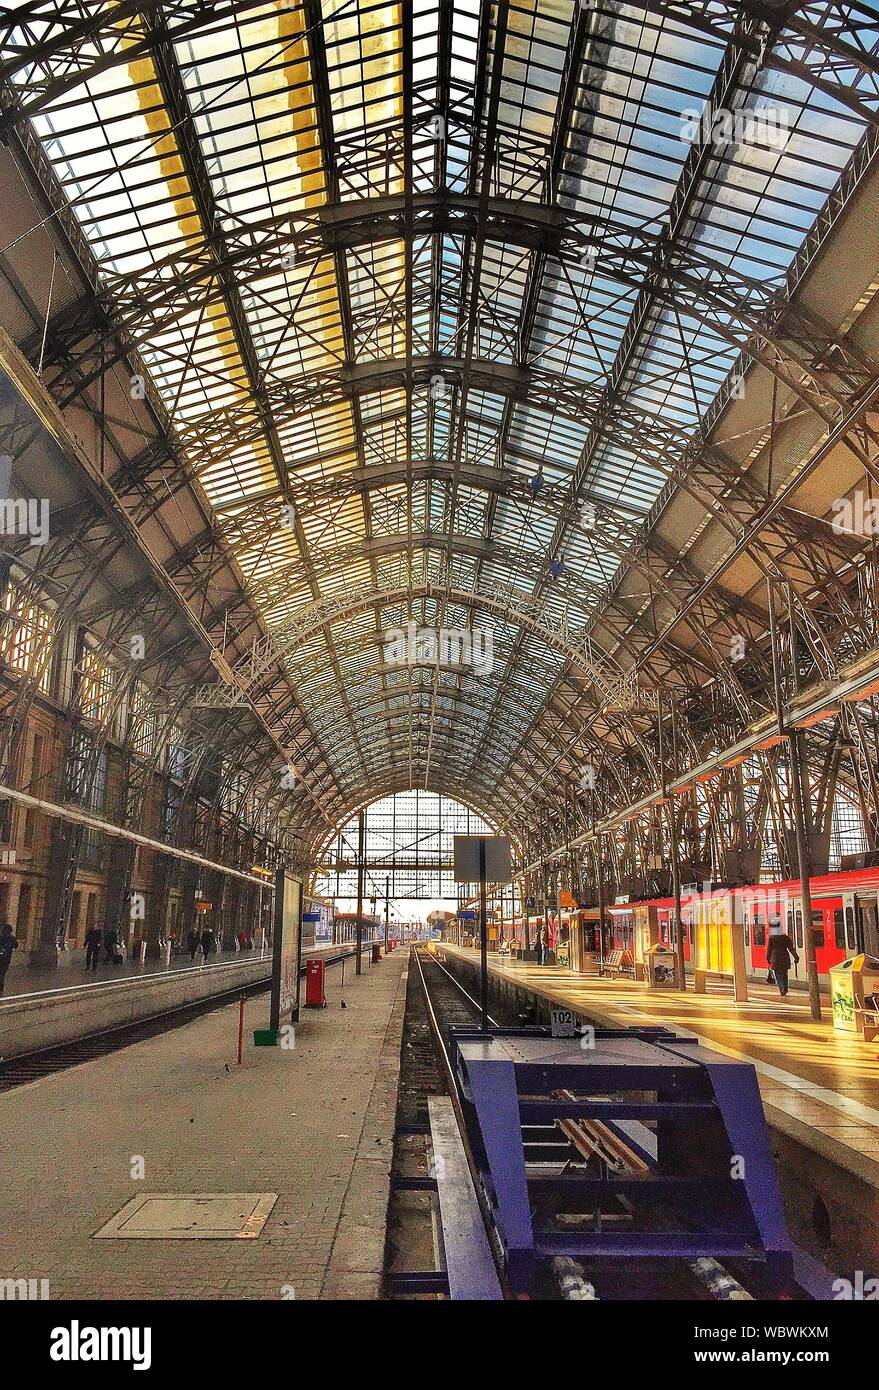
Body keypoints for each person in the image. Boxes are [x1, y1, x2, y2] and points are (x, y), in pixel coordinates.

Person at [766, 928, 799, 998]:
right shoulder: (786, 938)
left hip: (775, 958)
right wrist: (796, 957)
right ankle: (785, 988)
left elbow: (769, 949)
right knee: (785, 974)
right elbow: (791, 948)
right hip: (785, 958)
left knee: (778, 975)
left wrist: (768, 959)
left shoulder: (772, 938)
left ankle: (782, 988)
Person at [0, 922, 18, 995]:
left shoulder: (1, 937)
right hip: (6, 959)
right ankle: (1, 988)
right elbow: (16, 946)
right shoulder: (12, 938)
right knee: (2, 974)